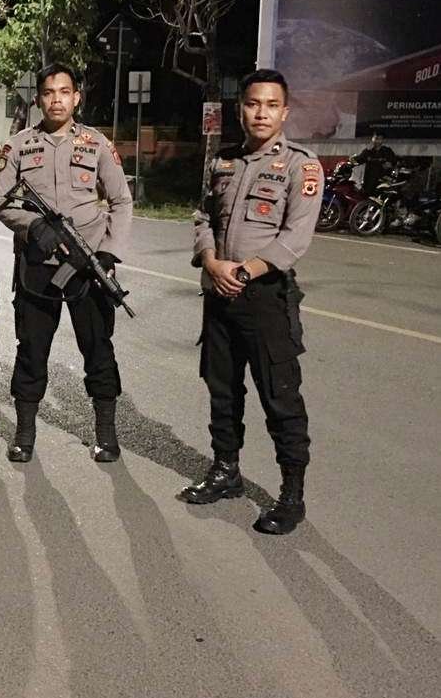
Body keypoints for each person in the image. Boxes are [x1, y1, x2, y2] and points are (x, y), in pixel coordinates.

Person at [183, 68, 322, 536]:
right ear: (240, 108)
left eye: (270, 105)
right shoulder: (224, 161)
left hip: (264, 299)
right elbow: (203, 217)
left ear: (284, 112)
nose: (260, 113)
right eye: (252, 103)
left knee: (280, 398)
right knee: (222, 390)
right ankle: (226, 471)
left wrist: (242, 272)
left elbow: (294, 239)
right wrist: (210, 262)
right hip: (219, 295)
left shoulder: (301, 166)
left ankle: (292, 495)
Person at [0, 63, 133, 464]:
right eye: (49, 92)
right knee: (32, 350)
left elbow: (121, 201)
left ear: (77, 97)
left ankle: (106, 434)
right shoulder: (18, 145)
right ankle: (24, 433)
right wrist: (34, 225)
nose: (57, 99)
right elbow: (0, 201)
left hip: (89, 266)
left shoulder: (96, 143)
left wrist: (108, 253)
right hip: (38, 266)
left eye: (65, 92)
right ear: (39, 98)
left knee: (98, 349)